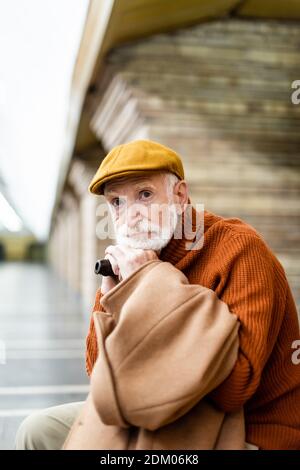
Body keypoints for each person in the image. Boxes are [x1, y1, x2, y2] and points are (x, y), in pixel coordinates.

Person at [15, 139, 300, 450]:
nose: (131, 215)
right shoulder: (137, 257)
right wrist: (113, 300)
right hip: (165, 409)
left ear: (179, 196)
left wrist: (151, 282)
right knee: (37, 431)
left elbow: (234, 389)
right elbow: (101, 378)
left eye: (145, 195)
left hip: (248, 428)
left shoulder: (239, 250)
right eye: (117, 202)